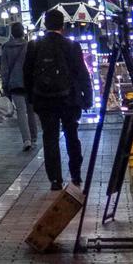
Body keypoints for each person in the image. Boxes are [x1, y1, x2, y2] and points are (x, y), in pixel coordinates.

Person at [26, 10, 93, 190]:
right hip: (69, 99)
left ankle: (55, 179)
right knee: (72, 136)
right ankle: (76, 175)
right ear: (62, 26)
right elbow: (82, 73)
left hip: (44, 99)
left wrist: (31, 98)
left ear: (45, 25)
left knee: (50, 138)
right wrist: (87, 98)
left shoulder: (34, 46)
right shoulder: (71, 46)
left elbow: (27, 74)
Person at [0, 23, 36, 152]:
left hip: (14, 84)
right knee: (31, 111)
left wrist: (5, 85)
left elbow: (4, 69)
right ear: (23, 33)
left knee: (21, 112)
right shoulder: (30, 46)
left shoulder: (6, 48)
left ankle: (27, 140)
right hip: (29, 82)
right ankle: (34, 136)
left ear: (12, 34)